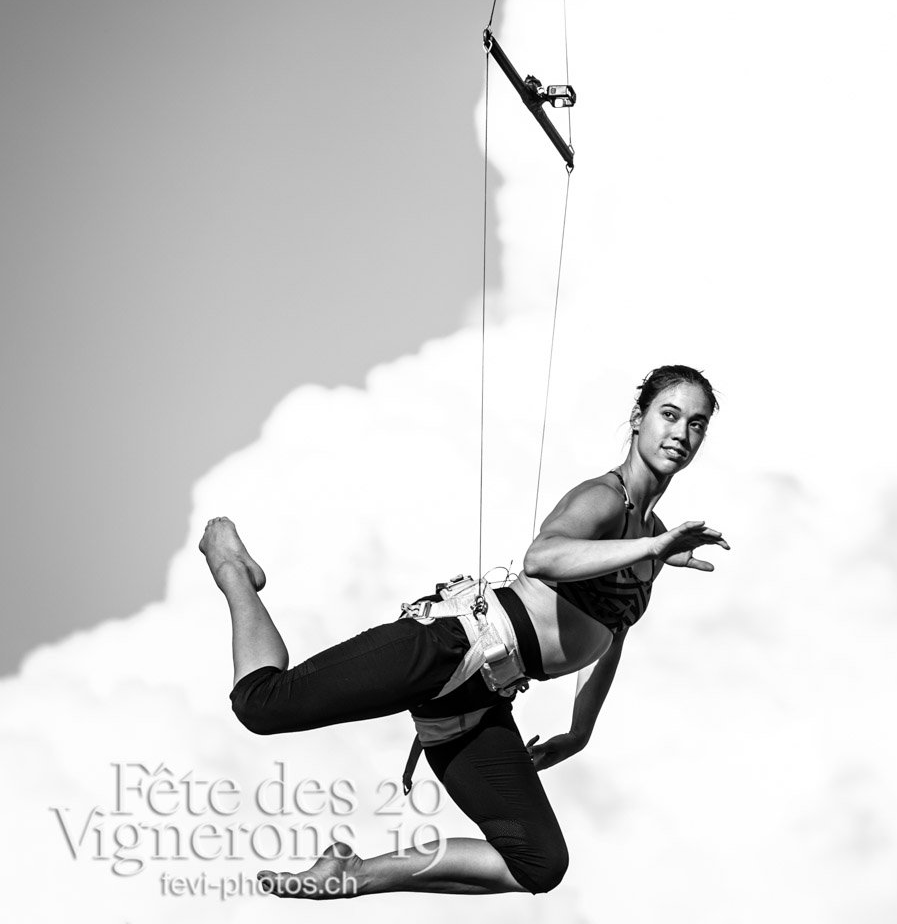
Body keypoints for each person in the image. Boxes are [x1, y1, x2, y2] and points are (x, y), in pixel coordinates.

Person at [199, 365, 728, 897]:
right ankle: (232, 569)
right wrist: (649, 549)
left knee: (538, 864)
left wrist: (581, 729)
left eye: (697, 424)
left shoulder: (657, 538)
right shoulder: (607, 500)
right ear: (638, 419)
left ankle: (352, 874)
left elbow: (614, 633)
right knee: (261, 705)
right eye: (670, 414)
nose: (682, 433)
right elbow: (542, 557)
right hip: (450, 646)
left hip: (482, 696)